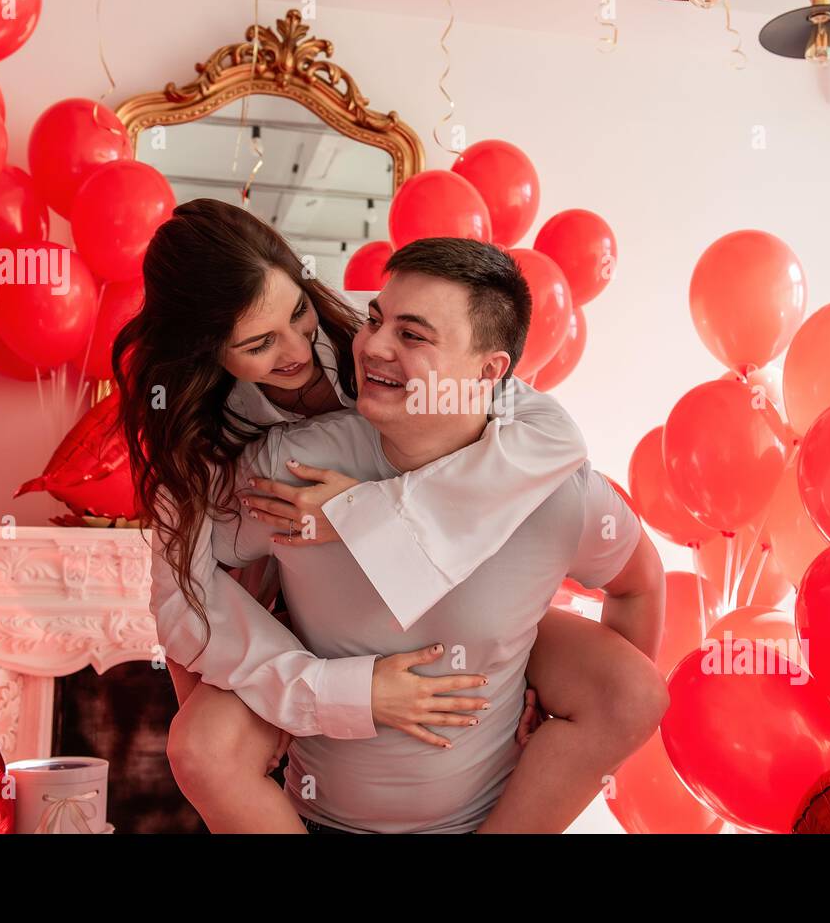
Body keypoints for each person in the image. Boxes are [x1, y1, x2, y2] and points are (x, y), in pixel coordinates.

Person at [113, 200, 667, 832]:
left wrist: (355, 511)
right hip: (294, 611)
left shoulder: (371, 333)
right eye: (260, 344)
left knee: (626, 685)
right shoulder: (211, 454)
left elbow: (549, 434)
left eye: (299, 313)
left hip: (460, 628)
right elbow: (186, 606)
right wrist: (302, 704)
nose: (301, 350)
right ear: (204, 354)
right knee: (203, 742)